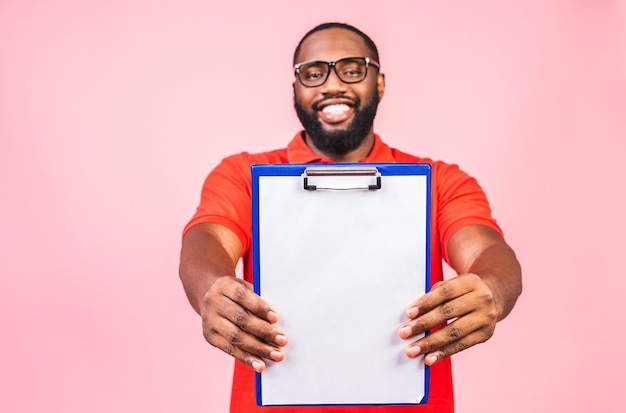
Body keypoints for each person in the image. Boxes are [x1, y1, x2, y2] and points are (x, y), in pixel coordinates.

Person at [179, 22, 522, 413]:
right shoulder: (244, 174)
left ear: (379, 83)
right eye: (313, 73)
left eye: (352, 69)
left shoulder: (441, 181)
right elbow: (208, 240)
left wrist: (491, 289)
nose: (331, 84)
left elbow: (487, 251)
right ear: (295, 90)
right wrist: (211, 287)